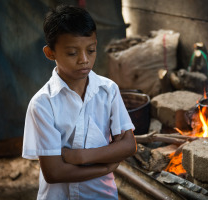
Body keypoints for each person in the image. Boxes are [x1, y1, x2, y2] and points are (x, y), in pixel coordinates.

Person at [22, 5, 136, 200]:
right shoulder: (43, 104)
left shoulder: (108, 91)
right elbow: (54, 173)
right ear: (50, 53)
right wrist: (107, 165)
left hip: (103, 195)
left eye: (91, 50)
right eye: (72, 53)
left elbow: (129, 145)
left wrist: (80, 156)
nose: (84, 60)